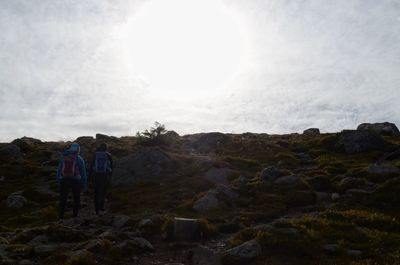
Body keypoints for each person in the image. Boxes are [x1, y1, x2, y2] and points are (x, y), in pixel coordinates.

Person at [56, 143, 87, 219]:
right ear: (78, 150)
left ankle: (61, 216)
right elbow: (83, 173)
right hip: (76, 181)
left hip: (64, 179)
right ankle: (75, 216)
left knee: (63, 198)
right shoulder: (80, 159)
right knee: (76, 198)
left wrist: (58, 181)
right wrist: (84, 185)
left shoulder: (64, 158)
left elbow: (59, 170)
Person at [90, 143, 113, 215]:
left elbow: (91, 166)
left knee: (96, 192)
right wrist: (110, 176)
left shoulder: (95, 155)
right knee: (103, 191)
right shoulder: (108, 155)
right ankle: (102, 207)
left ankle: (96, 210)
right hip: (105, 175)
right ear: (106, 148)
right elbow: (112, 167)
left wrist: (90, 177)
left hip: (96, 175)